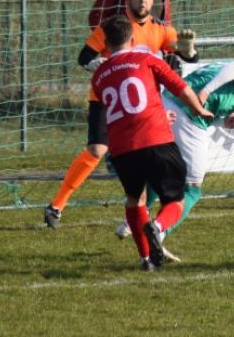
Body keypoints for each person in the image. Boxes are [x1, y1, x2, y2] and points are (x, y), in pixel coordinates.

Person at [44, 0, 197, 228]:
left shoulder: (161, 30)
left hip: (143, 104)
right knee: (97, 150)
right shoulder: (115, 27)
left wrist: (188, 51)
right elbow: (84, 56)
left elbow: (186, 58)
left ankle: (143, 218)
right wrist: (93, 64)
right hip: (107, 98)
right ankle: (56, 206)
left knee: (146, 154)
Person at [115, 56, 234, 263]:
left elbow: (213, 100)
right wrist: (207, 91)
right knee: (192, 189)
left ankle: (135, 218)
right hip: (186, 116)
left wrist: (223, 121)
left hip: (166, 105)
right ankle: (159, 230)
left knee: (160, 169)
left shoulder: (219, 67)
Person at [90, 15, 212, 270]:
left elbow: (118, 106)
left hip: (122, 149)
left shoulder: (99, 76)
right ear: (133, 39)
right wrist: (199, 110)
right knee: (176, 200)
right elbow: (181, 88)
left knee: (135, 200)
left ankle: (146, 259)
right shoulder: (146, 59)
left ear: (106, 43)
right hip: (156, 139)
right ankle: (157, 227)